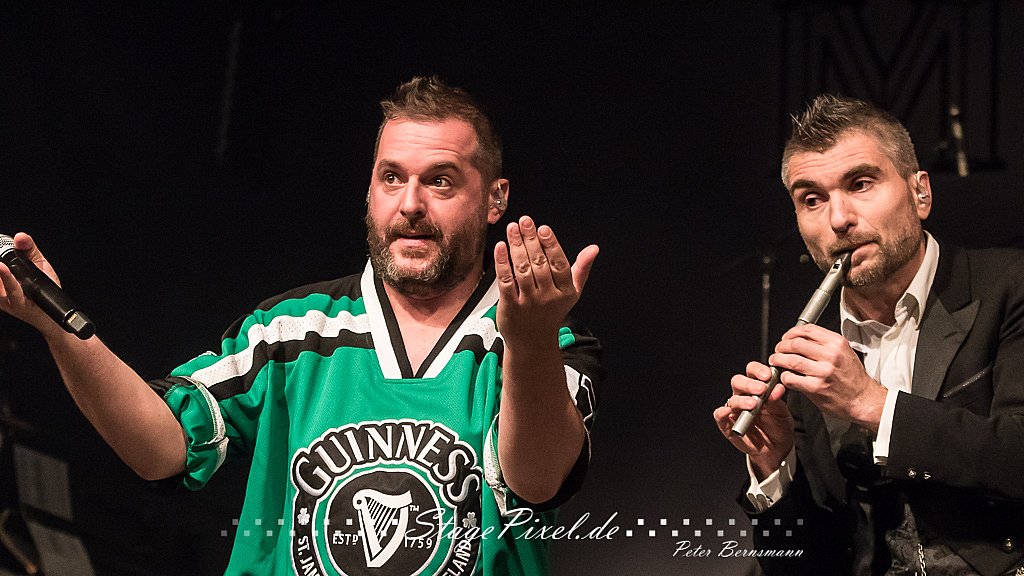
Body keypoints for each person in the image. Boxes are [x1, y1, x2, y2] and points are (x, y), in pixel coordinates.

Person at [0, 76, 602, 575]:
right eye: (392, 177)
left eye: (439, 180)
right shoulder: (290, 330)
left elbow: (537, 482)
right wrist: (56, 327)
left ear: (495, 199)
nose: (410, 204)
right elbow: (161, 451)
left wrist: (529, 343)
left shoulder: (547, 343)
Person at [713, 94, 1024, 576]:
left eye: (860, 184)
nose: (838, 219)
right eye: (812, 199)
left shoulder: (1010, 286)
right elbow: (812, 567)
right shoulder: (810, 361)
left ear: (920, 194)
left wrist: (871, 404)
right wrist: (777, 468)